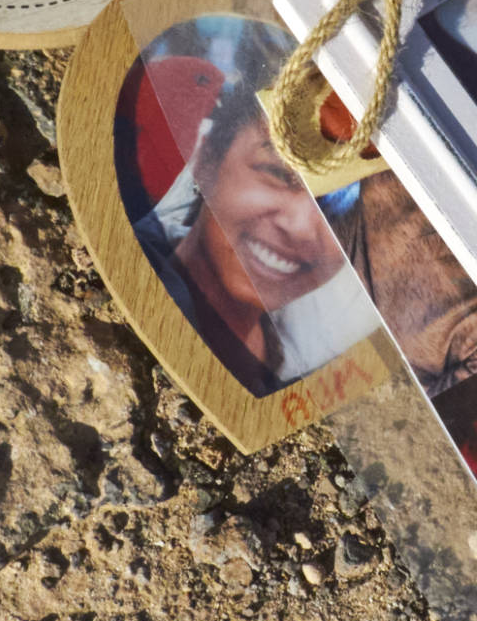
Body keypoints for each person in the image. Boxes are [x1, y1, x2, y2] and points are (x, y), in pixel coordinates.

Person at [134, 81, 357, 398]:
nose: (302, 226)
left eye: (343, 209)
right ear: (208, 158)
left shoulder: (321, 372)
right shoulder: (125, 262)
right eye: (279, 173)